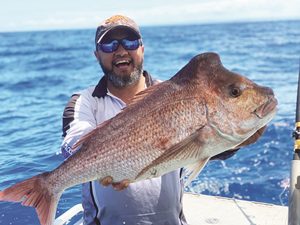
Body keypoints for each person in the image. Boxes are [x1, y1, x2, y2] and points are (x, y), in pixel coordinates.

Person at [61, 14, 266, 225]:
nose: (121, 50)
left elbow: (204, 146)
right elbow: (73, 148)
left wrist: (237, 141)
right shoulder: (83, 102)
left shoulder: (175, 94)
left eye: (130, 41)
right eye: (109, 44)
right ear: (96, 55)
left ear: (142, 47)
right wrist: (113, 162)